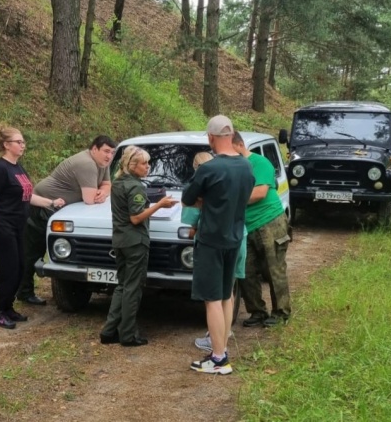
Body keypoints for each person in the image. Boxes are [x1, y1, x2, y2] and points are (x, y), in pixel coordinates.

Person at [0, 125, 66, 329]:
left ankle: (8, 308)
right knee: (8, 271)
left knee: (21, 268)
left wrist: (51, 202)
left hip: (19, 226)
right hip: (2, 227)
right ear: (6, 145)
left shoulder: (18, 168)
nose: (23, 145)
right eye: (18, 142)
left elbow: (27, 196)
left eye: (23, 141)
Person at [181, 116, 254, 375]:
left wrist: (204, 201)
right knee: (226, 295)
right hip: (235, 237)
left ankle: (219, 358)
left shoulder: (209, 168)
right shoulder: (246, 166)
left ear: (211, 138)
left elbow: (187, 198)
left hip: (211, 240)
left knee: (211, 299)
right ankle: (222, 352)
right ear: (232, 135)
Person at [17, 135, 117, 305]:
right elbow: (90, 199)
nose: (109, 156)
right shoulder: (87, 164)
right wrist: (100, 193)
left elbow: (107, 184)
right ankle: (24, 292)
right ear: (94, 149)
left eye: (112, 153)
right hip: (44, 205)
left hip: (61, 209)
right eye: (106, 151)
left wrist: (105, 191)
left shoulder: (102, 163)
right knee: (34, 251)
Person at [99, 146, 178, 347]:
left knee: (122, 285)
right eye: (144, 163)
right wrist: (159, 205)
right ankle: (128, 335)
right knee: (132, 289)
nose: (148, 167)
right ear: (132, 165)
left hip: (120, 240)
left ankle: (108, 331)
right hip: (135, 242)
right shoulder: (135, 187)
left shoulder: (118, 183)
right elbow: (135, 218)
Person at [232, 131, 292, 328]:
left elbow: (259, 193)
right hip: (246, 226)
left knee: (273, 268)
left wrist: (228, 201)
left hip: (270, 221)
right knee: (246, 270)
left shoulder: (259, 163)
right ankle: (257, 311)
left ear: (239, 144)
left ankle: (281, 312)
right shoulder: (232, 167)